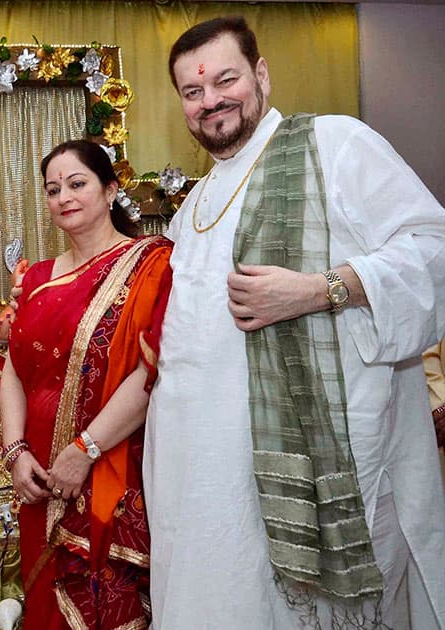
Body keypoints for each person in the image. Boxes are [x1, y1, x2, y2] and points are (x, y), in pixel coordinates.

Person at [146, 16, 445, 629]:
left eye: (226, 79)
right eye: (193, 92)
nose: (212, 100)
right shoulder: (196, 202)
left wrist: (320, 289)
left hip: (303, 475)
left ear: (261, 75)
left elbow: (432, 248)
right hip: (198, 480)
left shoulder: (333, 145)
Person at [0, 140, 173, 628]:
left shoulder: (151, 264)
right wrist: (15, 452)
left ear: (111, 189)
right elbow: (13, 367)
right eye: (53, 189)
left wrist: (84, 450)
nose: (64, 197)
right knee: (45, 606)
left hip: (108, 468)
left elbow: (150, 373)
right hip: (38, 474)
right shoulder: (36, 277)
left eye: (77, 184)